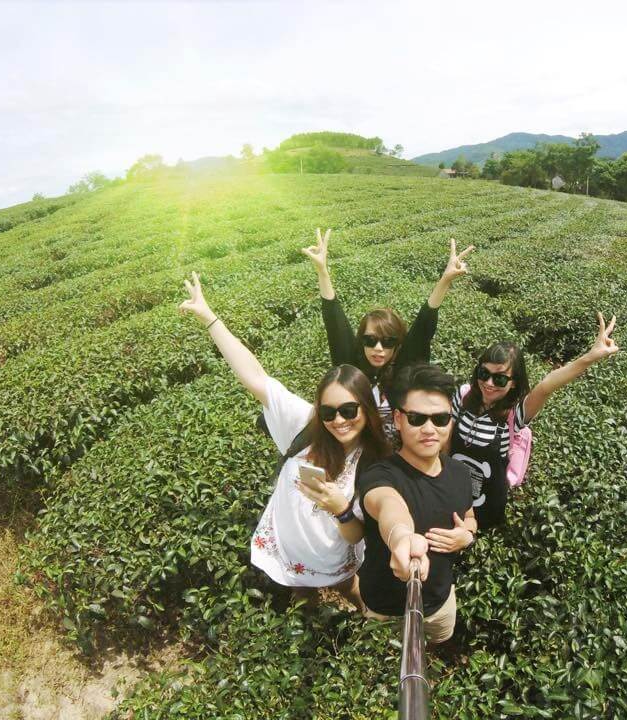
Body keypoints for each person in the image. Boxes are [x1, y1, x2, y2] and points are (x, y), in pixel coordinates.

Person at [179, 272, 391, 610]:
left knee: (349, 587)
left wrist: (340, 509)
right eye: (329, 411)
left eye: (349, 410)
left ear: (366, 408)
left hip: (334, 556)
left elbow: (358, 534)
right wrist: (209, 319)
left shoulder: (374, 461)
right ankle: (307, 609)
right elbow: (254, 376)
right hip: (288, 547)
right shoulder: (305, 424)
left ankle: (362, 613)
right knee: (301, 595)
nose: (339, 420)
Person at [444, 312, 619, 532]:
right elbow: (446, 438)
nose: (488, 383)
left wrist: (590, 357)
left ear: (514, 383)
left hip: (486, 504)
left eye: (499, 378)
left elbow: (546, 386)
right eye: (483, 373)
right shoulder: (464, 395)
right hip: (451, 489)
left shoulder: (514, 414)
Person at [301, 228, 474, 438]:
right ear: (361, 341)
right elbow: (335, 323)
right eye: (370, 340)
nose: (378, 348)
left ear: (397, 345)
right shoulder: (352, 369)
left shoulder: (403, 369)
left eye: (388, 342)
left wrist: (445, 280)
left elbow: (423, 326)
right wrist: (322, 271)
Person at [356, 363, 477, 644]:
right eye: (417, 419)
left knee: (437, 644)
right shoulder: (379, 475)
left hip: (441, 602)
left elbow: (470, 516)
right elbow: (388, 506)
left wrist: (467, 535)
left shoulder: (460, 473)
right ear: (398, 419)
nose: (429, 429)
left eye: (440, 419)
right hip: (385, 610)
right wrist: (401, 538)